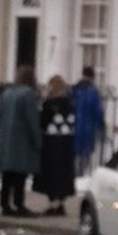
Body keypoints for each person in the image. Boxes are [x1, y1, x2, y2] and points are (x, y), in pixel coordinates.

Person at [0, 72, 41, 217]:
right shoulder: (28, 95)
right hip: (22, 140)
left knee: (7, 174)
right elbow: (32, 120)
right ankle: (19, 204)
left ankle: (5, 204)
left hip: (7, 139)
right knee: (20, 175)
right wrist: (38, 140)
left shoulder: (7, 94)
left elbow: (1, 116)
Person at [35, 73, 79, 214]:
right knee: (64, 174)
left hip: (52, 143)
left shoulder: (49, 104)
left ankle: (53, 203)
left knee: (51, 173)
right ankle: (61, 202)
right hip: (67, 142)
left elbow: (43, 123)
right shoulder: (70, 103)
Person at [68, 65, 106, 189]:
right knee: (85, 155)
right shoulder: (93, 92)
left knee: (74, 154)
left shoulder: (74, 90)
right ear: (92, 77)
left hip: (74, 126)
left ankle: (72, 176)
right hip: (88, 128)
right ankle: (80, 178)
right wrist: (101, 127)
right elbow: (98, 112)